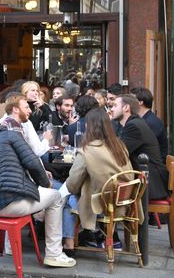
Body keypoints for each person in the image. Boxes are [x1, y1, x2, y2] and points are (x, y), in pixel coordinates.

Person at [0, 119, 76, 267]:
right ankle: (54, 254)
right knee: (56, 197)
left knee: (9, 191)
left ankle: (9, 248)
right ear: (0, 127)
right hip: (12, 204)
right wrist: (46, 184)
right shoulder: (10, 135)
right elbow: (32, 162)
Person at [65, 109, 135, 250]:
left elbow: (72, 185)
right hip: (125, 203)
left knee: (67, 200)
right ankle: (109, 237)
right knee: (93, 184)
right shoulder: (120, 146)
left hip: (100, 205)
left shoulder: (86, 150)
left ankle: (69, 244)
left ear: (88, 126)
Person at [111, 94, 169, 200]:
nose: (111, 109)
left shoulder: (134, 126)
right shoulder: (134, 123)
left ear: (126, 107)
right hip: (143, 179)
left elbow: (118, 152)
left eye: (115, 105)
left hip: (150, 185)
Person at [130, 87, 167, 162]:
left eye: (131, 100)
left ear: (140, 102)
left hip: (153, 167)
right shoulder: (143, 120)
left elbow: (136, 146)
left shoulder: (152, 122)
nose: (128, 103)